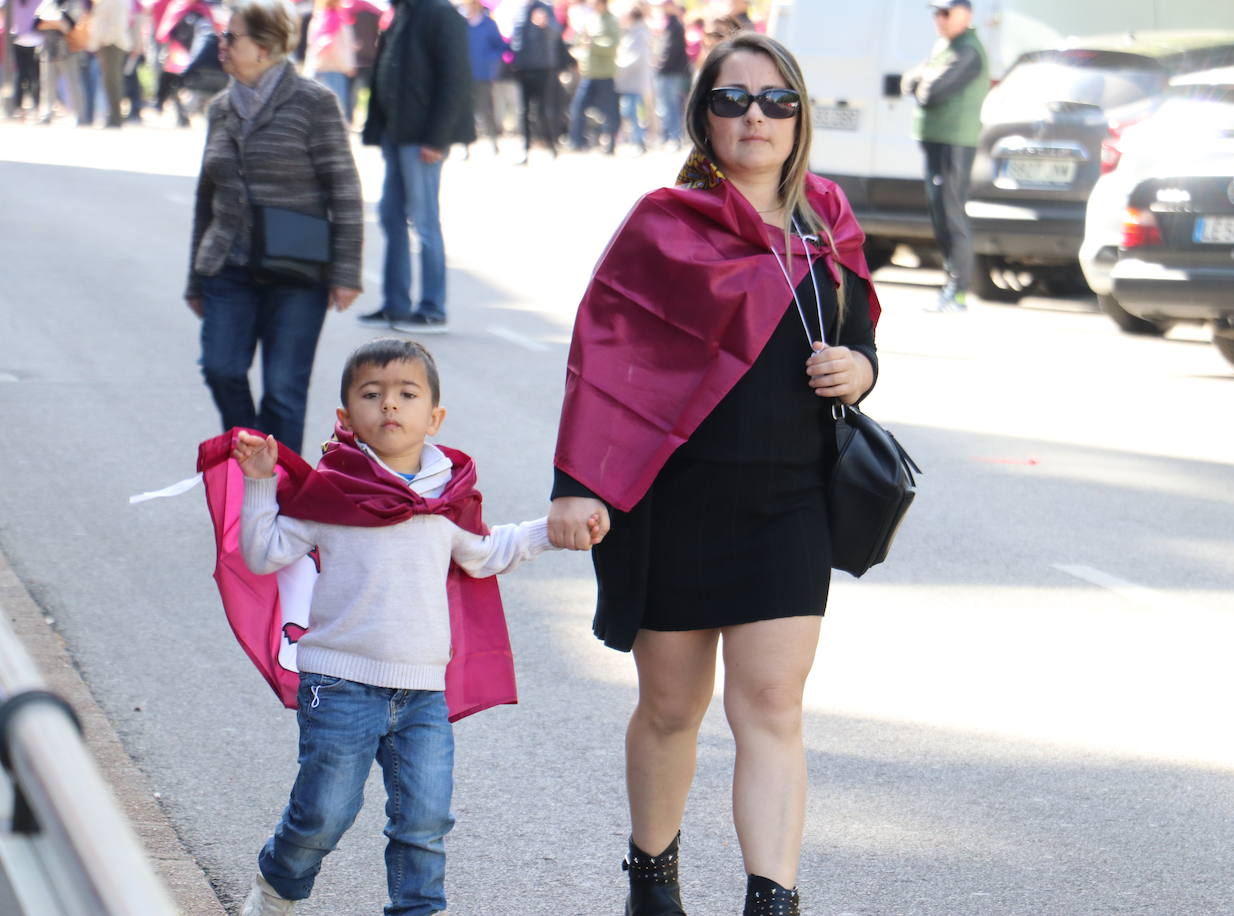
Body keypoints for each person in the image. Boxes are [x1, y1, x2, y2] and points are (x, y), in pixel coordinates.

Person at [547, 30, 880, 916]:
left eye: (776, 100)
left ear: (801, 114)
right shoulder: (664, 224)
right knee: (670, 709)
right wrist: (576, 482)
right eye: (732, 100)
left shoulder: (828, 220)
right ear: (703, 117)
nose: (756, 117)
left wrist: (862, 370)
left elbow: (862, 342)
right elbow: (603, 359)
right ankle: (652, 884)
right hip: (675, 502)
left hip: (790, 501)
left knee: (771, 705)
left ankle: (772, 900)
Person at [216, 339, 600, 916]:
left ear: (434, 417)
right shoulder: (330, 491)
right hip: (339, 683)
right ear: (346, 419)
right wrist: (260, 484)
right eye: (371, 395)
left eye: (406, 394)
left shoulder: (446, 500)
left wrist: (552, 530)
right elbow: (263, 553)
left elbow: (487, 551)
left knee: (424, 820)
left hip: (422, 690)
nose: (389, 406)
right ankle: (277, 887)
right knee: (325, 813)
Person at [184, 0, 363, 456]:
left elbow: (343, 189)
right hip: (227, 264)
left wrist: (345, 272)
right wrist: (195, 278)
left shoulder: (314, 102)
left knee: (284, 389)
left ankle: (278, 494)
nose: (221, 44)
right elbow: (206, 199)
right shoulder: (221, 108)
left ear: (263, 47)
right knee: (221, 367)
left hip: (296, 268)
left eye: (231, 37)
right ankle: (254, 455)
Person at [355, 0, 473, 334]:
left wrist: (437, 139)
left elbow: (456, 80)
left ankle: (433, 308)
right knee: (391, 218)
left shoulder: (439, 13)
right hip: (398, 134)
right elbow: (387, 72)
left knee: (425, 223)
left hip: (422, 138)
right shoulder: (405, 11)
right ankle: (396, 305)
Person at [900, 0, 988, 312]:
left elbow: (930, 92)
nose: (939, 19)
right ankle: (951, 287)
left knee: (952, 213)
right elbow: (907, 80)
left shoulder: (967, 51)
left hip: (954, 144)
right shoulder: (945, 46)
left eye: (945, 13)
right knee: (940, 214)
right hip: (936, 142)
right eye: (936, 13)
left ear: (965, 15)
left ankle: (959, 290)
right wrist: (922, 78)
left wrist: (923, 79)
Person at [510, 0, 561, 163]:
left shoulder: (546, 8)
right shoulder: (519, 10)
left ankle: (551, 145)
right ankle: (525, 149)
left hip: (543, 68)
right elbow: (516, 39)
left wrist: (544, 24)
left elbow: (556, 33)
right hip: (524, 69)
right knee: (523, 111)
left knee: (543, 110)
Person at [567, 0, 617, 153]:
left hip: (605, 73)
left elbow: (612, 44)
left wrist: (593, 44)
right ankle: (576, 142)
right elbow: (578, 41)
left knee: (609, 111)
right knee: (578, 107)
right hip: (588, 73)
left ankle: (610, 143)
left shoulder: (611, 20)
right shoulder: (590, 19)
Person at [463, 0, 507, 157]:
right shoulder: (463, 24)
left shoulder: (489, 24)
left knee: (486, 110)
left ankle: (493, 142)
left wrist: (490, 60)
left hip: (484, 74)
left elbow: (500, 47)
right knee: (466, 112)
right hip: (465, 74)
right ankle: (466, 146)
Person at [301, 0, 356, 121]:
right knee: (333, 113)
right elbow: (327, 43)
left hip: (319, 68)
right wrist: (347, 65)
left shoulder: (320, 16)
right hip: (332, 69)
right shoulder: (334, 17)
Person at [87, 0, 130, 126]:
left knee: (113, 83)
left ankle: (116, 117)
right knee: (109, 83)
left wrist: (104, 41)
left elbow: (117, 25)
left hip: (112, 45)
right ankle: (113, 116)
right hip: (106, 45)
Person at [653, 0, 689, 148]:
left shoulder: (676, 26)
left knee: (671, 104)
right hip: (666, 71)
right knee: (665, 105)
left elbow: (672, 51)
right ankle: (667, 136)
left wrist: (660, 64)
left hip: (671, 71)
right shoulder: (668, 25)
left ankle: (674, 137)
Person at [614, 5, 649, 153]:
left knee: (631, 111)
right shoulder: (632, 32)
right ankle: (637, 140)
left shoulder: (639, 33)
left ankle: (638, 140)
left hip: (633, 79)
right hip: (629, 80)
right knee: (630, 111)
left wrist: (618, 66)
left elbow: (636, 57)